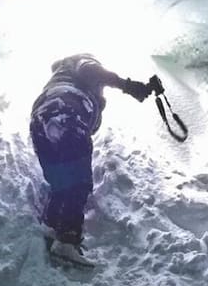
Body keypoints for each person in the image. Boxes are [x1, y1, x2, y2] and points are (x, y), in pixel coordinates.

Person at [29, 54, 152, 262]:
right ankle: (67, 241)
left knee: (61, 181)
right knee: (79, 180)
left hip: (40, 120)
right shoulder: (82, 61)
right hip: (68, 111)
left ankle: (52, 226)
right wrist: (129, 86)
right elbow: (90, 71)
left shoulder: (59, 76)